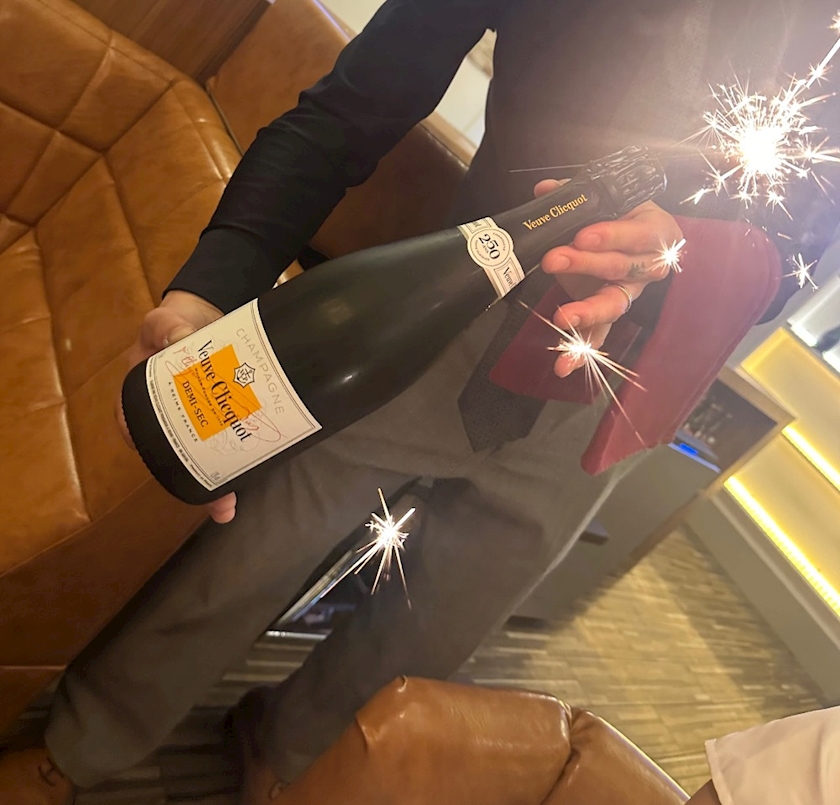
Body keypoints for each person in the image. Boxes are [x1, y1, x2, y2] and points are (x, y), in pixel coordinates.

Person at [2, 1, 838, 803]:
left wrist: (694, 248)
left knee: (440, 618)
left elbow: (795, 251)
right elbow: (352, 109)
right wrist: (211, 288)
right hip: (444, 308)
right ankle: (83, 742)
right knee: (251, 546)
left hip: (627, 382)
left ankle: (290, 752)